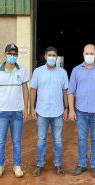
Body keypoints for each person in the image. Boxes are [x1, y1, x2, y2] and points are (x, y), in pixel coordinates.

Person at [68, 44, 95, 178]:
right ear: (83, 54)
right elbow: (70, 92)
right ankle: (81, 164)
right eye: (87, 53)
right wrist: (71, 110)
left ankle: (94, 165)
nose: (89, 56)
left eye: (91, 53)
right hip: (80, 111)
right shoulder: (76, 70)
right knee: (81, 139)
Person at [0, 43, 29, 178]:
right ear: (5, 54)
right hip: (1, 112)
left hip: (17, 111)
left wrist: (26, 108)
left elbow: (25, 89)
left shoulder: (22, 70)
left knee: (17, 140)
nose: (12, 56)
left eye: (15, 54)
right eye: (10, 53)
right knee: (1, 140)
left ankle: (17, 166)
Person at [30, 46, 69, 177]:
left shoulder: (62, 73)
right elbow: (33, 90)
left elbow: (65, 91)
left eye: (54, 55)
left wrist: (66, 108)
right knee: (41, 140)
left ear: (56, 58)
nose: (52, 57)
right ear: (45, 57)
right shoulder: (38, 72)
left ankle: (58, 165)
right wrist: (32, 108)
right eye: (49, 55)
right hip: (42, 112)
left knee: (57, 140)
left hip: (58, 112)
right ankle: (39, 165)